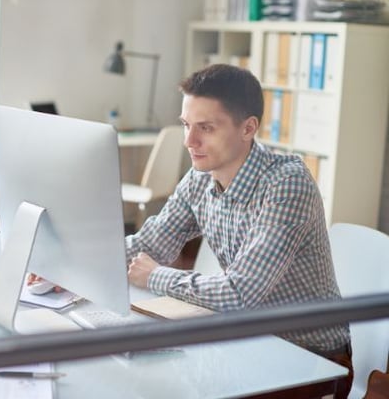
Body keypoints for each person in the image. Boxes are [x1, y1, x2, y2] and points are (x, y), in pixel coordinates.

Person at [126, 64, 353, 398]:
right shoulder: (201, 176)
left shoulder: (287, 185)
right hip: (248, 339)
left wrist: (155, 276)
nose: (190, 141)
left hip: (310, 357)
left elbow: (239, 294)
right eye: (187, 125)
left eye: (206, 128)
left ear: (248, 128)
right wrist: (65, 261)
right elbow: (149, 244)